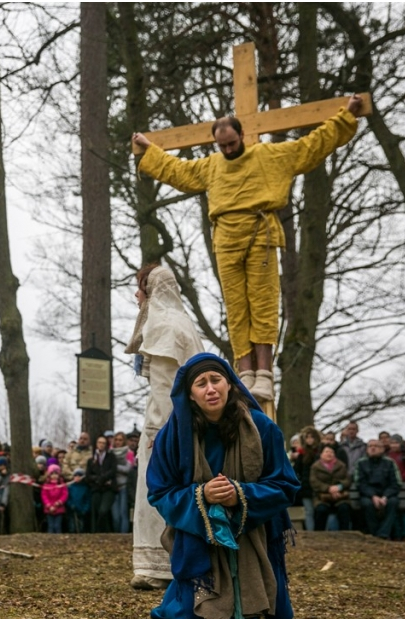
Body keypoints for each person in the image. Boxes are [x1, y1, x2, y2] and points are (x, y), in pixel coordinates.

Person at [132, 96, 363, 401]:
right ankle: (245, 371)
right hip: (226, 239)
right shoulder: (212, 166)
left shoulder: (269, 155)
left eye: (231, 143)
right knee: (237, 307)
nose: (228, 150)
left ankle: (264, 373)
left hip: (260, 233)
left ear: (241, 136)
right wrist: (150, 150)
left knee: (263, 302)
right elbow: (179, 171)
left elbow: (311, 145)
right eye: (222, 145)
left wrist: (346, 116)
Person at [146, 353, 300, 619]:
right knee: (191, 618)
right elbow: (159, 491)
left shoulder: (262, 427)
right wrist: (201, 495)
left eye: (216, 380)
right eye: (201, 383)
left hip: (255, 532)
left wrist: (240, 495)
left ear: (230, 384)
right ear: (190, 395)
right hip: (199, 537)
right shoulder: (173, 436)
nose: (211, 388)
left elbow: (285, 485)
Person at [125, 263, 205, 590]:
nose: (136, 295)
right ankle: (181, 562)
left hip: (165, 424)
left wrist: (158, 433)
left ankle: (157, 567)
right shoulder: (186, 324)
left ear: (150, 290)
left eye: (139, 288)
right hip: (190, 423)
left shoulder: (161, 325)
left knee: (156, 491)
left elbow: (164, 387)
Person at [354, 439, 400, 539]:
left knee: (393, 502)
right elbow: (360, 483)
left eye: (376, 446)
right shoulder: (361, 463)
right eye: (370, 446)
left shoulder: (390, 462)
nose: (373, 448)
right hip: (368, 495)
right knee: (367, 504)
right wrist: (373, 496)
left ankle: (383, 533)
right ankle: (375, 533)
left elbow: (396, 483)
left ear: (382, 449)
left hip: (386, 494)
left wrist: (385, 497)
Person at [310, 446, 351, 531]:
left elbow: (347, 480)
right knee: (321, 510)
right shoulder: (315, 467)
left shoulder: (341, 465)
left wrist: (339, 487)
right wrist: (328, 488)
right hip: (322, 497)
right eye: (326, 452)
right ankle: (319, 535)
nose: (329, 454)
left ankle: (345, 534)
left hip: (340, 496)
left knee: (344, 508)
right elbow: (314, 482)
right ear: (321, 454)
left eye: (331, 452)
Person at [85, 436, 117, 534]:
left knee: (104, 510)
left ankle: (104, 530)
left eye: (103, 443)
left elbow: (113, 471)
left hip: (108, 488)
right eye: (99, 442)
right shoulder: (91, 460)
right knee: (97, 510)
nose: (101, 445)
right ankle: (98, 532)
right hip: (96, 488)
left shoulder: (111, 457)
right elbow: (88, 475)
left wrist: (102, 478)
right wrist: (98, 479)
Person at [41, 464, 68, 534]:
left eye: (56, 473)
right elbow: (44, 496)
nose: (54, 475)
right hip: (49, 509)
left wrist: (58, 503)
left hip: (59, 508)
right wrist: (49, 505)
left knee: (57, 526)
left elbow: (64, 494)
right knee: (51, 526)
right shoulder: (46, 485)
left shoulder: (62, 484)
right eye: (52, 474)